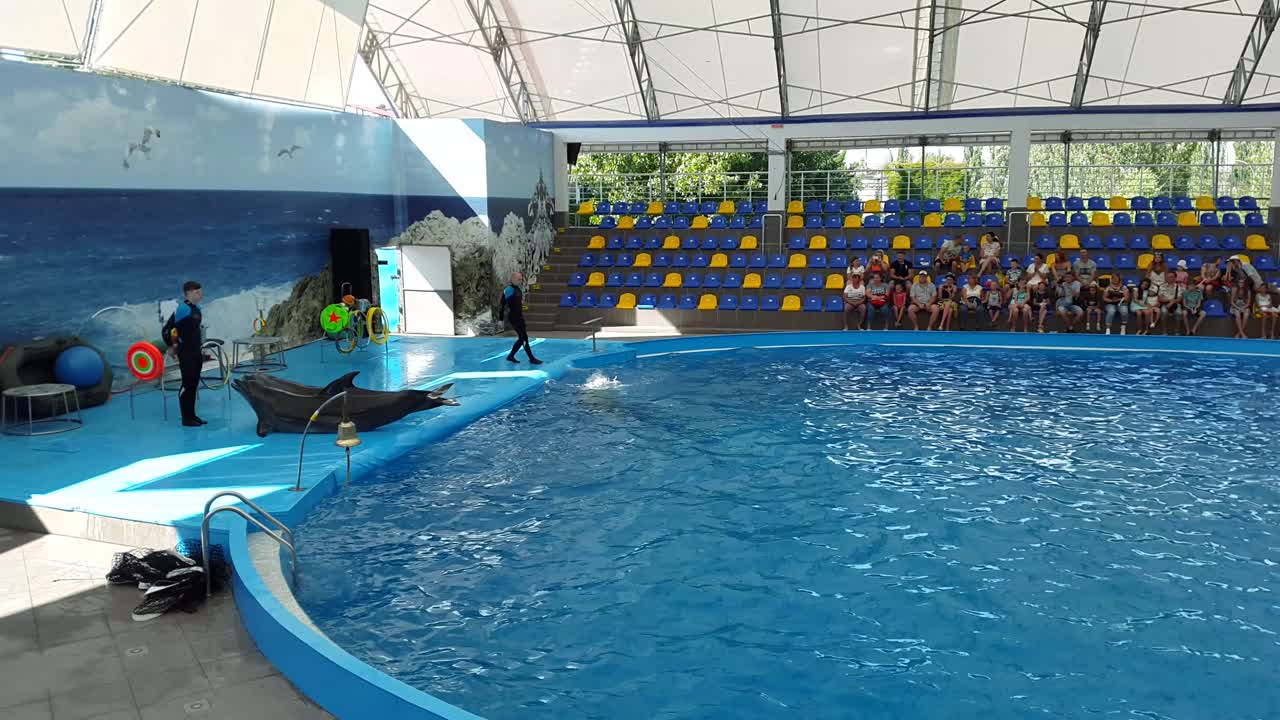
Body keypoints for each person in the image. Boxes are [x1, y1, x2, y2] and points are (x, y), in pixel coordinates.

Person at [160, 281, 206, 427]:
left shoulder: (197, 308)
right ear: (189, 293)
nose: (201, 294)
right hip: (186, 352)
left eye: (201, 291)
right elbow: (167, 330)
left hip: (196, 351)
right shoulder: (182, 309)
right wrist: (171, 346)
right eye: (197, 292)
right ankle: (186, 418)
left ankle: (192, 415)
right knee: (187, 384)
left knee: (194, 383)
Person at [498, 271, 542, 364]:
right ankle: (531, 358)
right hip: (513, 317)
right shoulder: (509, 290)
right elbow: (502, 305)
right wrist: (500, 319)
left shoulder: (518, 289)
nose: (520, 281)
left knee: (524, 337)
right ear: (513, 279)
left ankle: (511, 356)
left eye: (521, 279)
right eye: (518, 279)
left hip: (519, 317)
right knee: (522, 337)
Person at [1156, 270, 1181, 334]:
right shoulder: (1162, 286)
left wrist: (1172, 302)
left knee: (1178, 313)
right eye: (1168, 277)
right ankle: (1164, 331)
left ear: (1175, 278)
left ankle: (1177, 331)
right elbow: (1160, 298)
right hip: (1165, 304)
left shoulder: (1178, 287)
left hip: (1175, 304)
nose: (1169, 278)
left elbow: (1179, 299)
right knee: (1164, 312)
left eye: (1171, 277)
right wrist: (1170, 301)